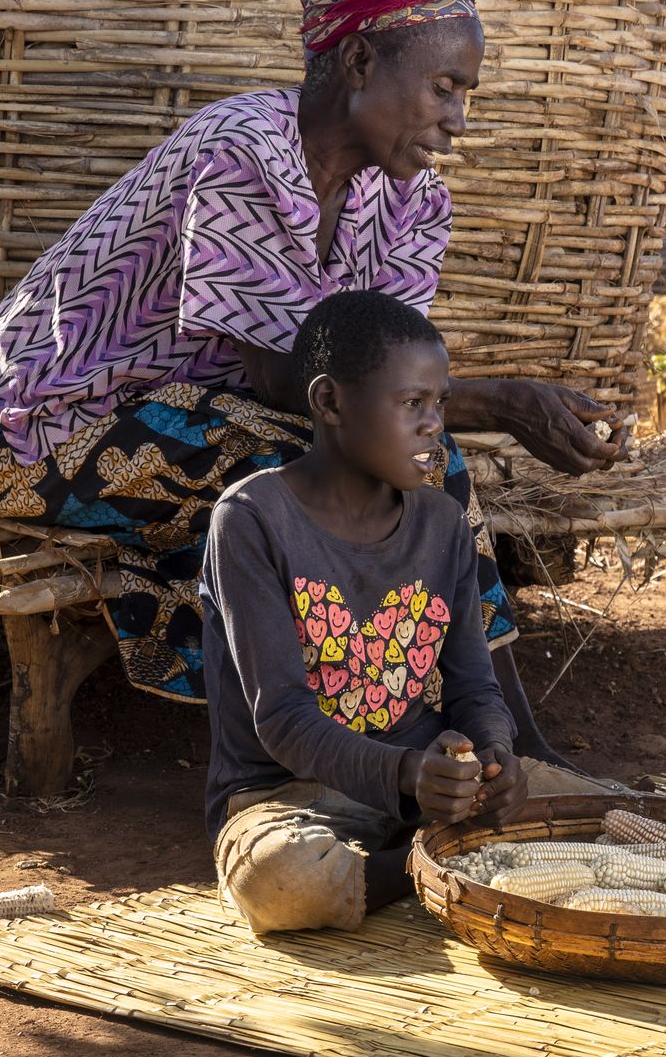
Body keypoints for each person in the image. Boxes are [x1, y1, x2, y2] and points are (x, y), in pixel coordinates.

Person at [0, 0, 617, 774]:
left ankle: (436, 729)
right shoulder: (242, 147)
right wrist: (502, 401)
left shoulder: (413, 201)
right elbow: (297, 385)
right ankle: (491, 745)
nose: (457, 121)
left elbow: (389, 381)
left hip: (180, 423)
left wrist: (455, 410)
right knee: (400, 457)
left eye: (465, 95)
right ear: (359, 63)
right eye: (443, 88)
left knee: (405, 452)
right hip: (37, 430)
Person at [203, 290, 532, 933]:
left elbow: (473, 685)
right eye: (412, 403)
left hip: (430, 791)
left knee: (600, 814)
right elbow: (285, 721)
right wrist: (410, 773)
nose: (434, 424)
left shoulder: (441, 521)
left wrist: (491, 759)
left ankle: (424, 858)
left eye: (439, 404)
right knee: (281, 881)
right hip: (291, 797)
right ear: (330, 402)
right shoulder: (250, 521)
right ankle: (432, 868)